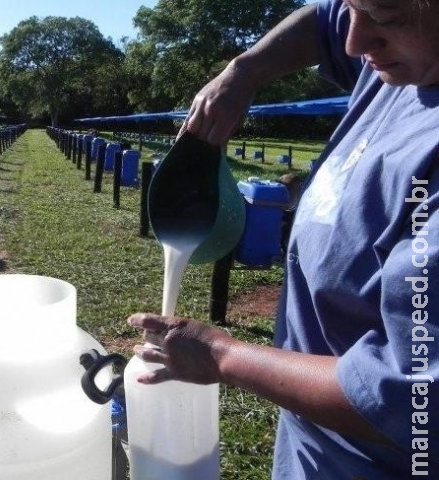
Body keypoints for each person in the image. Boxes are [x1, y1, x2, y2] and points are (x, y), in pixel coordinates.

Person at [127, 0, 439, 477]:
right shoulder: (405, 61)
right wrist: (245, 69)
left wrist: (223, 356)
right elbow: (323, 21)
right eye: (356, 10)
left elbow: (414, 398)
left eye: (385, 17)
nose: (354, 43)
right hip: (312, 447)